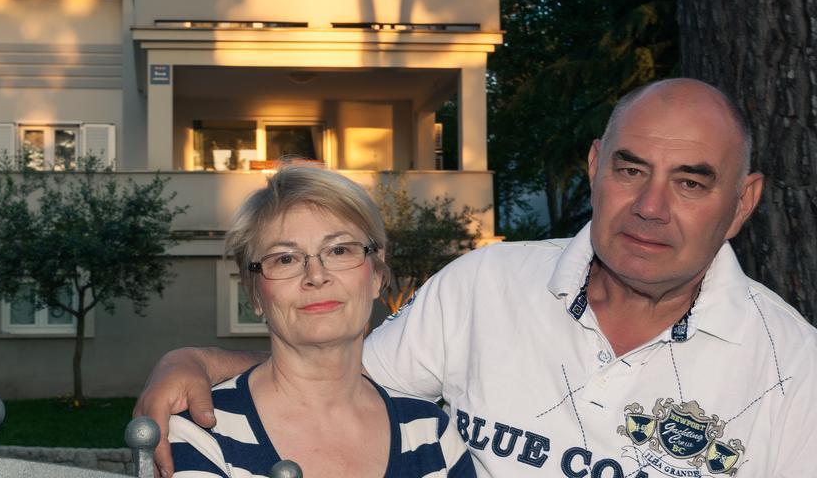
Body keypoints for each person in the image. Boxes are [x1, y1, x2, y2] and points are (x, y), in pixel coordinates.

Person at [138, 79, 817, 477]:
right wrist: (197, 358)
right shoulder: (484, 287)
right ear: (594, 167)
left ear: (743, 203)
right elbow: (339, 381)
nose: (649, 206)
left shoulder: (795, 370)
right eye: (631, 170)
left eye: (690, 183)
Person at [166, 165, 476, 478]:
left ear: (376, 276)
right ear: (255, 293)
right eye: (285, 258)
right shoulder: (202, 434)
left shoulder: (430, 433)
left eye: (339, 250)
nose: (316, 276)